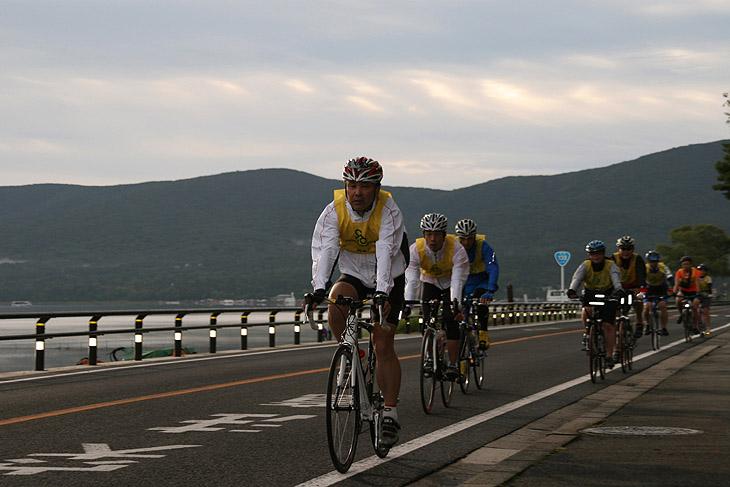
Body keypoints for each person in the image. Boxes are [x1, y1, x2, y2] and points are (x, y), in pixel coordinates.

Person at [307, 156, 407, 447]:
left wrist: (384, 292)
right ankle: (351, 356)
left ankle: (390, 412)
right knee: (336, 300)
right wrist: (318, 288)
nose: (357, 192)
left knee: (383, 344)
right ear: (345, 187)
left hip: (388, 277)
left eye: (364, 186)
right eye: (352, 185)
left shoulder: (389, 210)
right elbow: (325, 251)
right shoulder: (333, 212)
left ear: (376, 188)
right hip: (353, 273)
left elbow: (386, 252)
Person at [404, 213, 469, 381]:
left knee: (450, 318)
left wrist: (456, 304)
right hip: (430, 282)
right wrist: (408, 305)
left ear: (444, 235)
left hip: (450, 283)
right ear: (424, 234)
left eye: (437, 234)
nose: (432, 239)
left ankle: (453, 363)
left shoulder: (457, 249)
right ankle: (430, 357)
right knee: (427, 320)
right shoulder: (415, 250)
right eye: (428, 234)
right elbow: (412, 281)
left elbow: (457, 281)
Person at [566, 240, 623, 369]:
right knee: (587, 309)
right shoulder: (585, 265)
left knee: (608, 325)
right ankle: (588, 332)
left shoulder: (610, 265)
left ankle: (609, 355)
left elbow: (615, 278)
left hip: (608, 293)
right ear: (589, 255)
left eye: (598, 253)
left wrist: (619, 290)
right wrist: (572, 290)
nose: (595, 256)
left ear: (603, 253)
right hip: (591, 292)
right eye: (592, 254)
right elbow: (577, 278)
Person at [454, 218, 499, 350]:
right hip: (463, 283)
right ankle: (461, 361)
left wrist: (490, 289)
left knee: (481, 300)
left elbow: (493, 268)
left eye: (470, 238)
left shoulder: (483, 246)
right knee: (460, 318)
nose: (466, 242)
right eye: (463, 238)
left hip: (481, 282)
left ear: (474, 237)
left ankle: (483, 333)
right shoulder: (454, 246)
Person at [610, 236, 647, 339]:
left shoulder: (637, 259)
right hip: (618, 287)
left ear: (633, 249)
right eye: (623, 249)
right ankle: (619, 328)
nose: (626, 252)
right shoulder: (613, 258)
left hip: (633, 285)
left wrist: (640, 290)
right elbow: (609, 275)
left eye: (628, 249)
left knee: (638, 301)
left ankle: (639, 321)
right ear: (619, 249)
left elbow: (641, 275)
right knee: (615, 307)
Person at [642, 250, 674, 336]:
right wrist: (641, 291)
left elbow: (670, 278)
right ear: (648, 262)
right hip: (649, 289)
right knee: (647, 306)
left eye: (656, 261)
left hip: (661, 289)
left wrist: (671, 289)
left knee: (663, 306)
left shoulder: (663, 267)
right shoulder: (644, 268)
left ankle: (664, 327)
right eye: (652, 262)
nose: (654, 263)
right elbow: (641, 280)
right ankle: (648, 324)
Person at [673, 256, 701, 330]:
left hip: (694, 291)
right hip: (683, 290)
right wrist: (674, 292)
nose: (686, 266)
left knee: (695, 307)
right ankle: (681, 314)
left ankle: (695, 326)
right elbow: (676, 283)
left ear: (690, 264)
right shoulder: (679, 272)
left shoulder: (696, 271)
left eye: (687, 264)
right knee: (678, 300)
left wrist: (698, 292)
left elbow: (697, 282)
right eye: (684, 264)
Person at [697, 263, 713, 333]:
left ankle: (707, 327)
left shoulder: (708, 278)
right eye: (700, 270)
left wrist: (709, 294)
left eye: (703, 270)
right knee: (695, 309)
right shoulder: (696, 278)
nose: (701, 272)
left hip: (705, 294)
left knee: (706, 310)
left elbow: (709, 288)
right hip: (697, 294)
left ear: (705, 271)